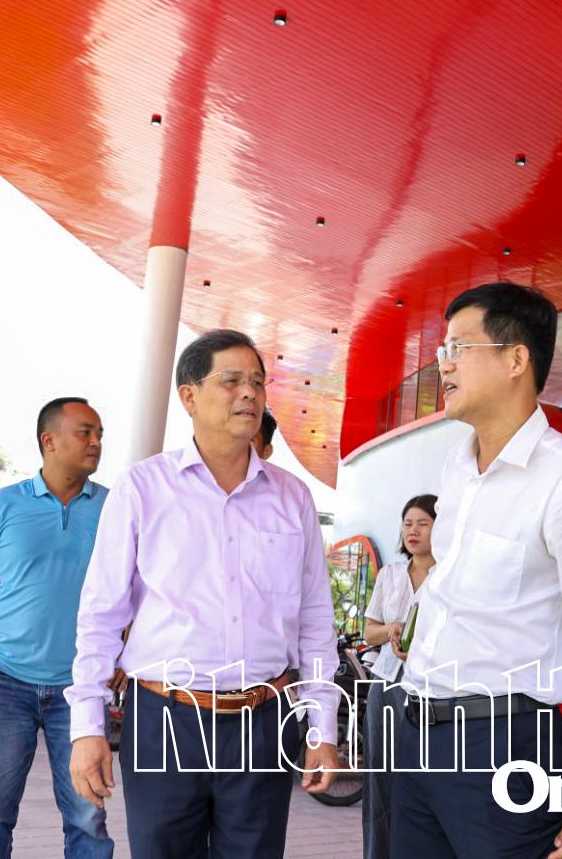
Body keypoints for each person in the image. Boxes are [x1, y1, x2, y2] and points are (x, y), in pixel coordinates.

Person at [66, 329, 341, 858]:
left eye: (258, 382)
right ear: (188, 396)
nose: (250, 393)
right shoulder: (143, 488)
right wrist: (87, 728)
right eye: (232, 380)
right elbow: (100, 615)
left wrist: (321, 729)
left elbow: (314, 620)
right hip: (164, 720)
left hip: (265, 722)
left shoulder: (293, 498)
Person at [393, 282, 562, 859]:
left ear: (515, 359)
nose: (444, 365)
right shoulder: (457, 469)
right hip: (416, 736)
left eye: (459, 348)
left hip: (506, 748)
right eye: (443, 351)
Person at [0, 397, 117, 858]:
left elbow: (138, 587)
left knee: (87, 817)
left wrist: (125, 649)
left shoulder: (115, 510)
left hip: (81, 690)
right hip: (5, 681)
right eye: (85, 432)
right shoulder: (3, 505)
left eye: (100, 434)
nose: (96, 442)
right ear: (49, 440)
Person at [362, 493, 438, 859]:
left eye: (423, 523)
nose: (413, 531)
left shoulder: (450, 576)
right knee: (380, 779)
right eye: (408, 524)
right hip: (387, 684)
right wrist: (391, 628)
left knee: (424, 778)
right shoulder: (390, 574)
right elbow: (369, 632)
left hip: (433, 689)